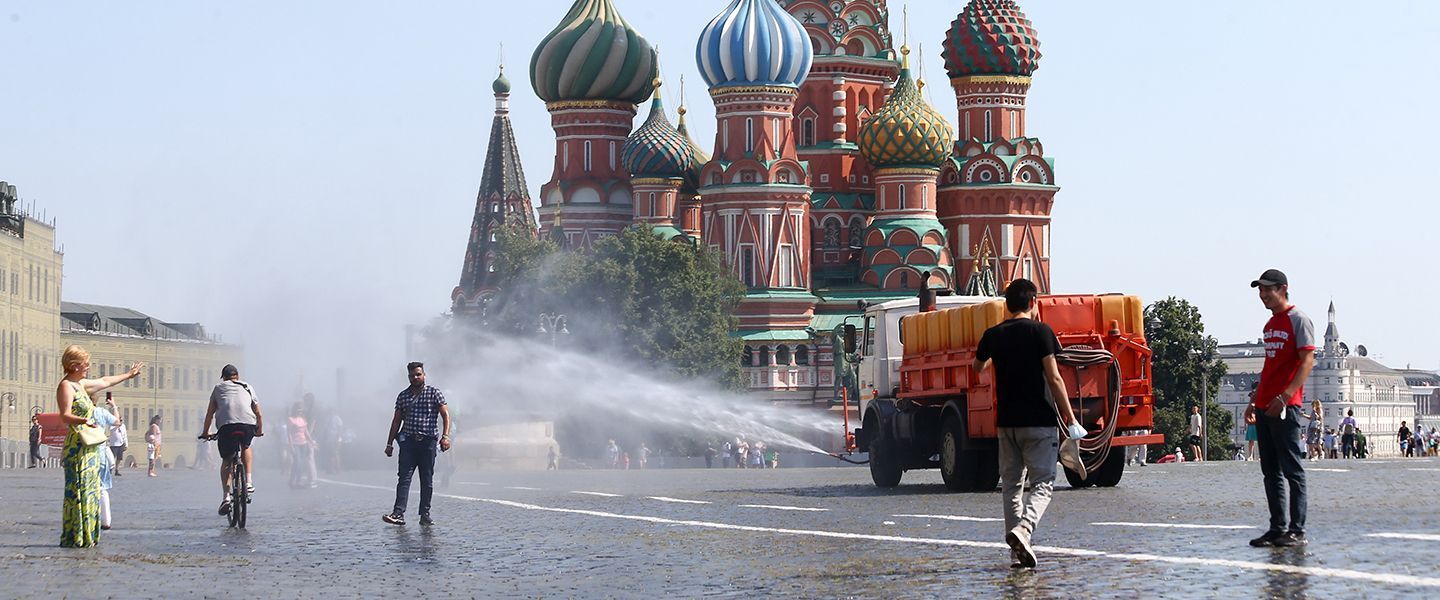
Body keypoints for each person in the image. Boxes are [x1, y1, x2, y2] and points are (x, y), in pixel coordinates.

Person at [973, 278, 1085, 570]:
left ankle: (1017, 554)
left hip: (1006, 423)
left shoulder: (993, 334)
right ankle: (1024, 530)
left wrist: (995, 352)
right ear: (1034, 303)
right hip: (1039, 421)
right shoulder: (1041, 332)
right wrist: (1071, 419)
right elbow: (1054, 377)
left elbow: (978, 368)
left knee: (1011, 486)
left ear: (1007, 304)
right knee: (1044, 483)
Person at [1246, 269, 1315, 548]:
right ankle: (1277, 528)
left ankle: (1297, 530)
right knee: (1270, 470)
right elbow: (1270, 366)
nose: (1263, 295)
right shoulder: (1270, 324)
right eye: (1260, 290)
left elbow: (1307, 362)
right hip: (1264, 405)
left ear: (1283, 289)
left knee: (1292, 470)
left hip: (1286, 406)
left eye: (1268, 289)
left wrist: (1286, 396)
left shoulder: (1299, 320)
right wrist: (1254, 400)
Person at [55, 345, 142, 548]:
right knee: (78, 491)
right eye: (86, 363)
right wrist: (84, 420)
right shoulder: (66, 386)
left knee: (91, 490)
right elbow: (64, 415)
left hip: (91, 448)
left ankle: (88, 536)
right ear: (75, 365)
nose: (89, 366)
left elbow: (104, 382)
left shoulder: (80, 384)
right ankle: (76, 535)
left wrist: (129, 375)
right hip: (77, 447)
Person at [383, 362, 450, 526]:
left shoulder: (434, 393)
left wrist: (446, 436)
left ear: (424, 375)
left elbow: (445, 415)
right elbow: (396, 420)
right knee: (404, 478)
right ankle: (398, 513)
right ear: (408, 377)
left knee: (426, 480)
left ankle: (425, 514)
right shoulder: (403, 396)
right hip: (409, 444)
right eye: (412, 375)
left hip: (428, 442)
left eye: (418, 374)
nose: (415, 377)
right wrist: (389, 443)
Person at [199, 364, 265, 516]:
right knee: (246, 446)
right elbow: (258, 413)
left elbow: (209, 414)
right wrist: (259, 430)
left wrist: (205, 433)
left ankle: (226, 498)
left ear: (223, 377)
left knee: (227, 460)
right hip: (247, 424)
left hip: (226, 426)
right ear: (238, 376)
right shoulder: (247, 386)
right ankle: (248, 482)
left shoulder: (218, 388)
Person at [91, 402, 118, 531]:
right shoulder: (101, 412)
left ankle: (89, 520)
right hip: (101, 453)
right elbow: (117, 421)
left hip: (86, 454)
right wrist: (114, 406)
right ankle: (106, 521)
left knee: (85, 488)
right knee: (102, 489)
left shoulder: (79, 412)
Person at [287, 402, 317, 488]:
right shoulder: (290, 419)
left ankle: (298, 481)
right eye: (298, 409)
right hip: (295, 443)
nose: (299, 411)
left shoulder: (302, 419)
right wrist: (291, 446)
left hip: (303, 443)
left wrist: (311, 442)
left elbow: (306, 431)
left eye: (300, 409)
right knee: (297, 462)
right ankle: (292, 480)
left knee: (301, 463)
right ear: (294, 409)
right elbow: (289, 434)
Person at [106, 398, 127, 476]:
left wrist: (126, 444)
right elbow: (111, 430)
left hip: (121, 443)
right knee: (112, 457)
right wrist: (117, 425)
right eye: (119, 420)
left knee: (119, 458)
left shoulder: (123, 427)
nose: (120, 421)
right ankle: (110, 469)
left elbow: (125, 435)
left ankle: (117, 470)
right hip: (114, 444)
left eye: (121, 420)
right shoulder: (112, 426)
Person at [1244, 394, 1259, 462]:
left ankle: (1259, 456)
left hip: (1257, 424)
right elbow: (1246, 414)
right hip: (1251, 424)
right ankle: (1250, 456)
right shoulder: (1250, 405)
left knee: (1259, 441)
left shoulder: (1258, 404)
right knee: (1251, 441)